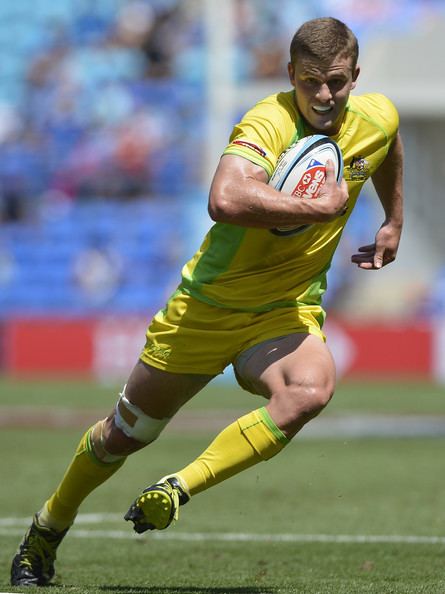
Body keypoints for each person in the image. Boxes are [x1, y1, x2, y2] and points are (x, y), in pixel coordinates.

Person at [11, 16, 403, 587]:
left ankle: (177, 488)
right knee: (127, 433)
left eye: (337, 82)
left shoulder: (377, 116)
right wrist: (317, 210)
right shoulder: (268, 121)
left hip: (284, 311)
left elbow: (387, 144)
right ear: (290, 73)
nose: (324, 95)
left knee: (310, 390)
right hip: (206, 307)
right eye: (311, 81)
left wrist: (393, 219)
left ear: (355, 77)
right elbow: (224, 197)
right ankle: (45, 532)